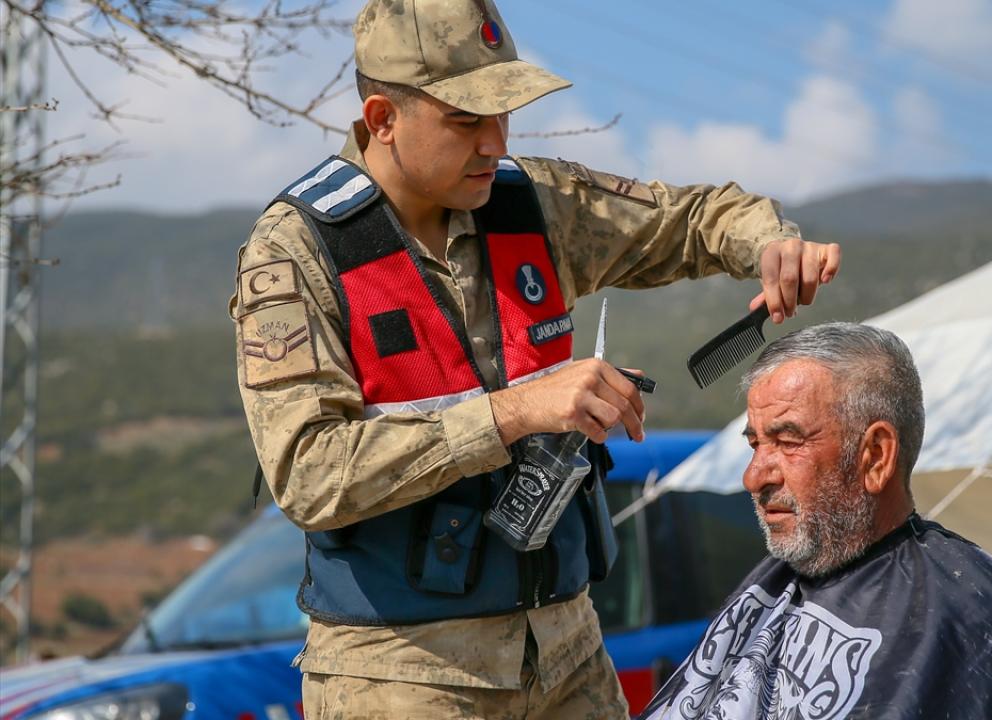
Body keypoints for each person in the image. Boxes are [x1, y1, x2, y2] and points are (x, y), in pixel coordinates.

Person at [228, 0, 840, 717]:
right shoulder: (293, 252)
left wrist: (768, 244)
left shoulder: (531, 203)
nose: (494, 143)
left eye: (504, 114)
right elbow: (307, 473)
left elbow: (692, 216)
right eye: (466, 120)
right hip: (401, 676)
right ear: (382, 118)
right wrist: (517, 412)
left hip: (568, 651)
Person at [639, 323, 992, 720]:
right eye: (755, 444)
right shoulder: (777, 586)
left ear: (875, 456)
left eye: (788, 442)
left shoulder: (967, 619)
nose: (753, 477)